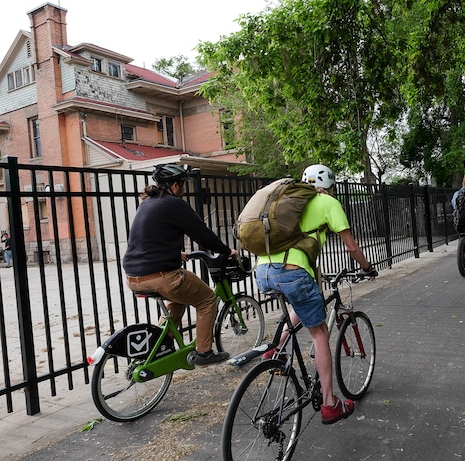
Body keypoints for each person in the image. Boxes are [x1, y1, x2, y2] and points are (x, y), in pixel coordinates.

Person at [255, 164, 378, 425]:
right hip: (294, 271)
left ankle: (275, 349)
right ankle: (329, 404)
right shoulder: (327, 202)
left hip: (263, 270)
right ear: (330, 185)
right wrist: (367, 268)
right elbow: (351, 247)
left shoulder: (285, 199)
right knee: (319, 333)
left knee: (302, 304)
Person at [122, 163, 235, 366]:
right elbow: (203, 234)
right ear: (175, 186)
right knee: (207, 299)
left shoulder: (147, 203)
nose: (183, 189)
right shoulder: (174, 204)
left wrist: (174, 253)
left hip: (133, 276)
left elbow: (148, 238)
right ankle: (204, 353)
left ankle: (158, 348)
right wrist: (227, 251)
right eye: (182, 184)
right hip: (161, 276)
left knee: (178, 298)